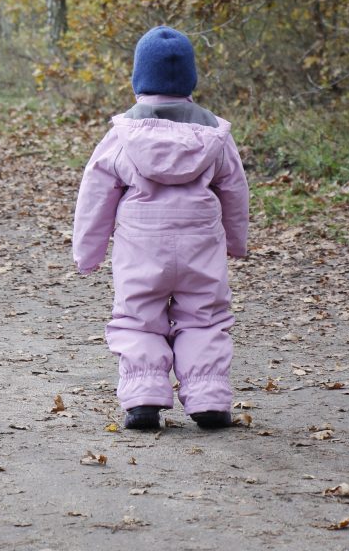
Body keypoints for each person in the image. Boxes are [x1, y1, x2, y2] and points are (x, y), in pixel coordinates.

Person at [72, 26, 249, 430]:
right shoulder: (215, 135)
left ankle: (145, 397)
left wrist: (88, 253)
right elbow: (235, 191)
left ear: (139, 79)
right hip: (200, 246)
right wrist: (236, 242)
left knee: (138, 318)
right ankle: (207, 400)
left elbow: (95, 194)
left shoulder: (122, 136)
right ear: (190, 80)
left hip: (141, 248)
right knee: (203, 319)